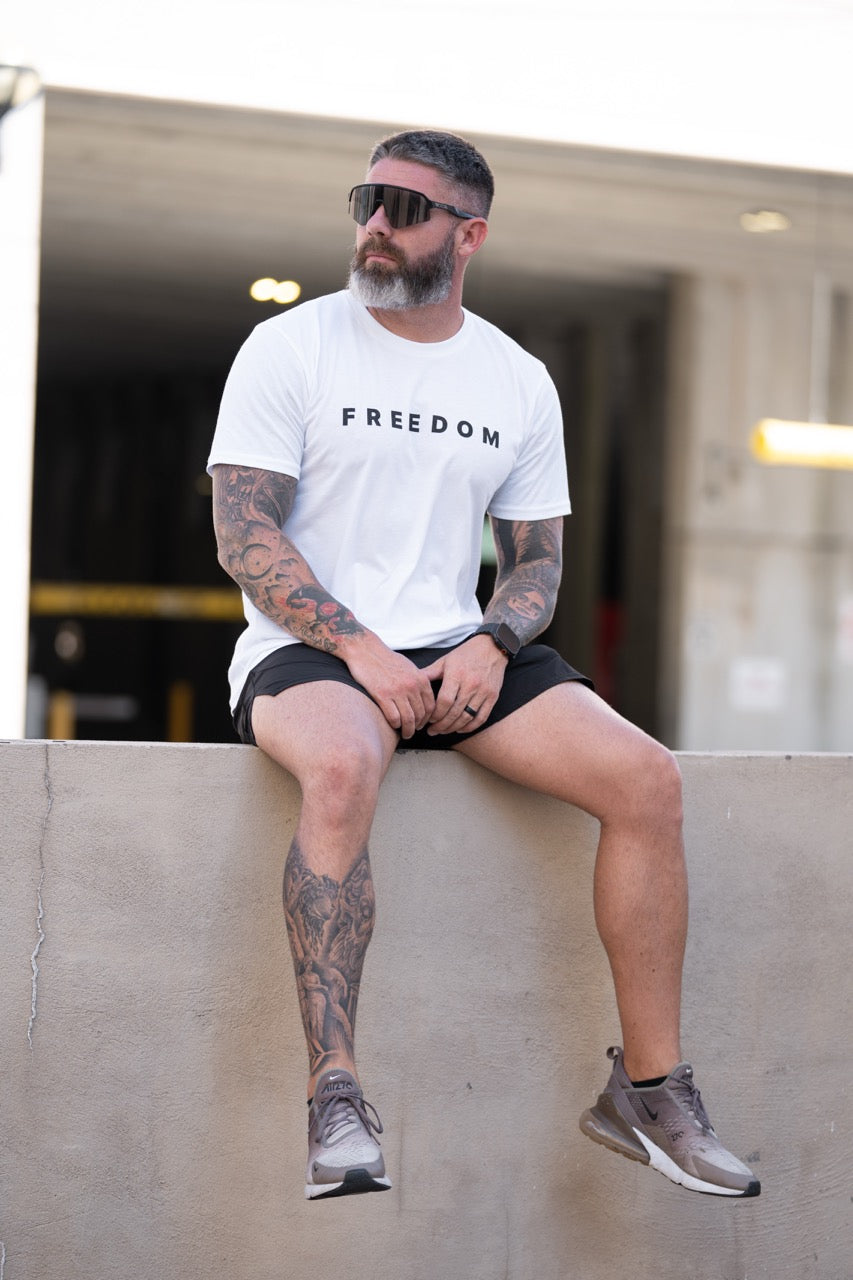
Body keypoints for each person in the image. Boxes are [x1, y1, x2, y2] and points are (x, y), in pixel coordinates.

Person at [208, 129, 760, 1202]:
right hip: (308, 646)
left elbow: (535, 562)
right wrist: (357, 646)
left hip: (457, 648)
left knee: (647, 780)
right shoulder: (291, 347)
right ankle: (335, 1097)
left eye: (405, 208)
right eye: (366, 200)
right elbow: (243, 533)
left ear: (469, 236)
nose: (375, 223)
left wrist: (491, 642)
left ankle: (649, 1093)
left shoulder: (516, 378)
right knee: (341, 768)